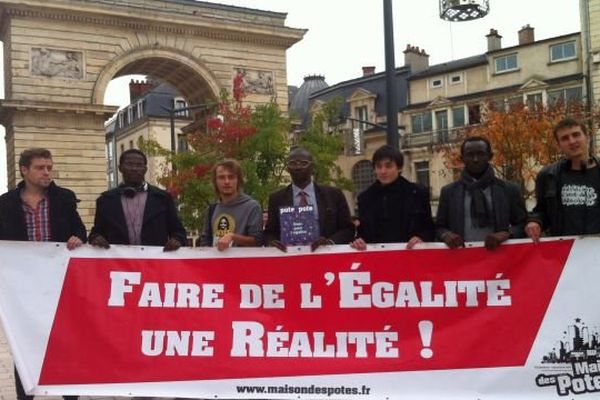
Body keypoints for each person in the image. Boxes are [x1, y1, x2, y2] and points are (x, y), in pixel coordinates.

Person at [0, 148, 85, 400]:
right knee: (24, 344)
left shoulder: (65, 198)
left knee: (66, 342)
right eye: (40, 168)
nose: (47, 172)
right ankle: (25, 394)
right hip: (23, 288)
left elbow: (80, 231)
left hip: (60, 284)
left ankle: (70, 395)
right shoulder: (4, 204)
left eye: (49, 167)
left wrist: (78, 237)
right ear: (24, 170)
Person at [436, 136, 527, 250]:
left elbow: (523, 224)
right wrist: (446, 235)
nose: (475, 159)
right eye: (470, 154)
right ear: (462, 158)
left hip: (500, 259)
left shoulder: (509, 189)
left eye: (481, 154)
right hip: (461, 260)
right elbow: (439, 227)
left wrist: (507, 233)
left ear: (490, 156)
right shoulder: (449, 192)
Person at [89, 149, 186, 250]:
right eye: (129, 164)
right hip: (118, 263)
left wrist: (177, 239)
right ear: (120, 168)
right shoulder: (105, 201)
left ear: (145, 169)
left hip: (154, 262)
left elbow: (178, 231)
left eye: (139, 165)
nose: (134, 168)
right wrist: (95, 238)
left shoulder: (163, 198)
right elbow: (95, 233)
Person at [264, 147, 354, 251]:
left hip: (326, 256)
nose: (298, 167)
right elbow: (269, 233)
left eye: (303, 163)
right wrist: (272, 243)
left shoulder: (334, 195)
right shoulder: (276, 198)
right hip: (290, 258)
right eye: (293, 163)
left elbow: (348, 229)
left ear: (313, 167)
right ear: (287, 168)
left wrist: (329, 243)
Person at [526, 118, 600, 241]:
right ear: (558, 145)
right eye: (565, 138)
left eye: (576, 135)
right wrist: (535, 222)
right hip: (564, 252)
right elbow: (541, 211)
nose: (572, 141)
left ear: (587, 137)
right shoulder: (547, 176)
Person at [351, 145, 434, 250]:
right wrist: (359, 241)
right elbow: (362, 232)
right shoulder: (365, 198)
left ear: (399, 168)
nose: (383, 171)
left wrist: (421, 238)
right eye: (379, 166)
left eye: (388, 166)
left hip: (411, 257)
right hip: (376, 259)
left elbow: (429, 228)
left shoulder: (417, 193)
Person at [199, 159, 263, 250]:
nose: (226, 181)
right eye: (221, 177)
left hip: (243, 263)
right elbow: (205, 242)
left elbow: (258, 241)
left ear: (238, 180)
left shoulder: (252, 207)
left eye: (231, 177)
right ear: (215, 181)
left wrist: (233, 237)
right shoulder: (211, 209)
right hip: (217, 263)